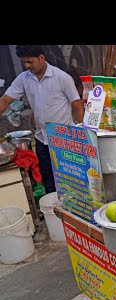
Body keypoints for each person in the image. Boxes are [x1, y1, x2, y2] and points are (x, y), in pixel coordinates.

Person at [0, 45, 84, 194]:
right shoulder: (24, 78)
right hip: (41, 138)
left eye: (30, 62)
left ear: (41, 58)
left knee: (70, 179)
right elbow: (5, 100)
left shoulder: (62, 77)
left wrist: (81, 132)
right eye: (24, 62)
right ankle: (54, 211)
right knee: (48, 179)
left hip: (63, 138)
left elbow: (77, 104)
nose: (27, 66)